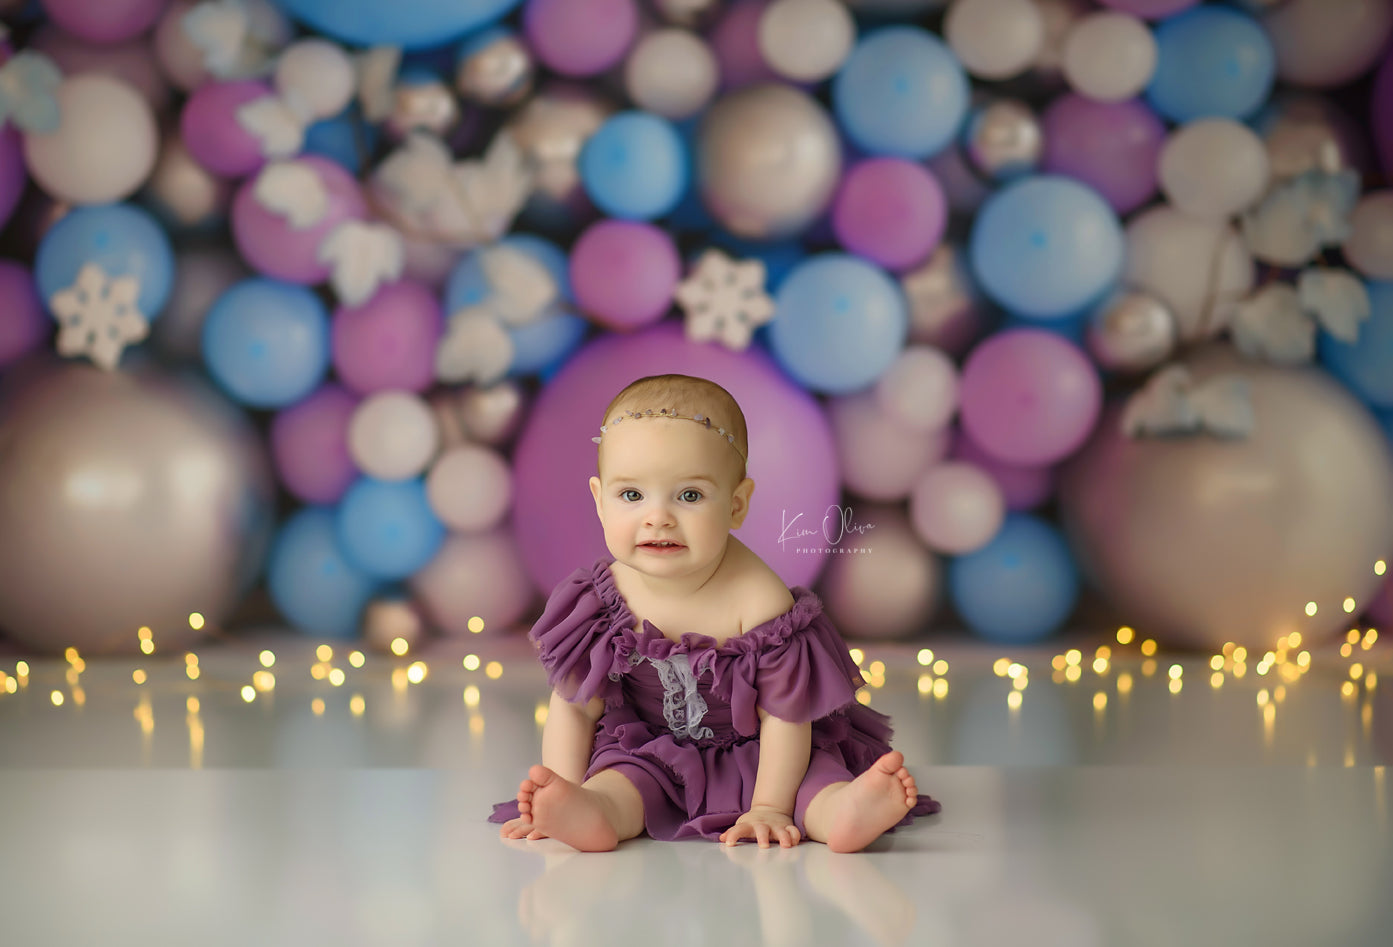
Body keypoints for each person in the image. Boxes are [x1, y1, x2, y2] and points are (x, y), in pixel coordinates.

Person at [491, 373, 938, 852]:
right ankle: (586, 810)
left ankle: (843, 811)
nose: (657, 517)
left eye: (689, 496)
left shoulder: (760, 603)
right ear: (599, 501)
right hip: (652, 750)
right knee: (618, 782)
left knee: (812, 784)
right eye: (631, 495)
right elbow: (576, 707)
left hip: (767, 752)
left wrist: (769, 807)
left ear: (736, 505)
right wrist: (563, 782)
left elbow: (787, 719)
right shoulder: (601, 600)